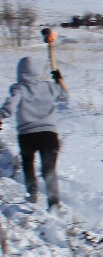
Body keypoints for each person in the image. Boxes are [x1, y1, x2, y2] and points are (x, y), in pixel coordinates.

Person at [0, 57, 67, 210]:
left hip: (27, 136)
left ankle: (32, 197)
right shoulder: (50, 87)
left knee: (28, 165)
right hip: (49, 135)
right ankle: (54, 204)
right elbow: (64, 96)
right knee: (49, 170)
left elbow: (9, 108)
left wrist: (1, 115)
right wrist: (59, 80)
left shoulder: (19, 88)